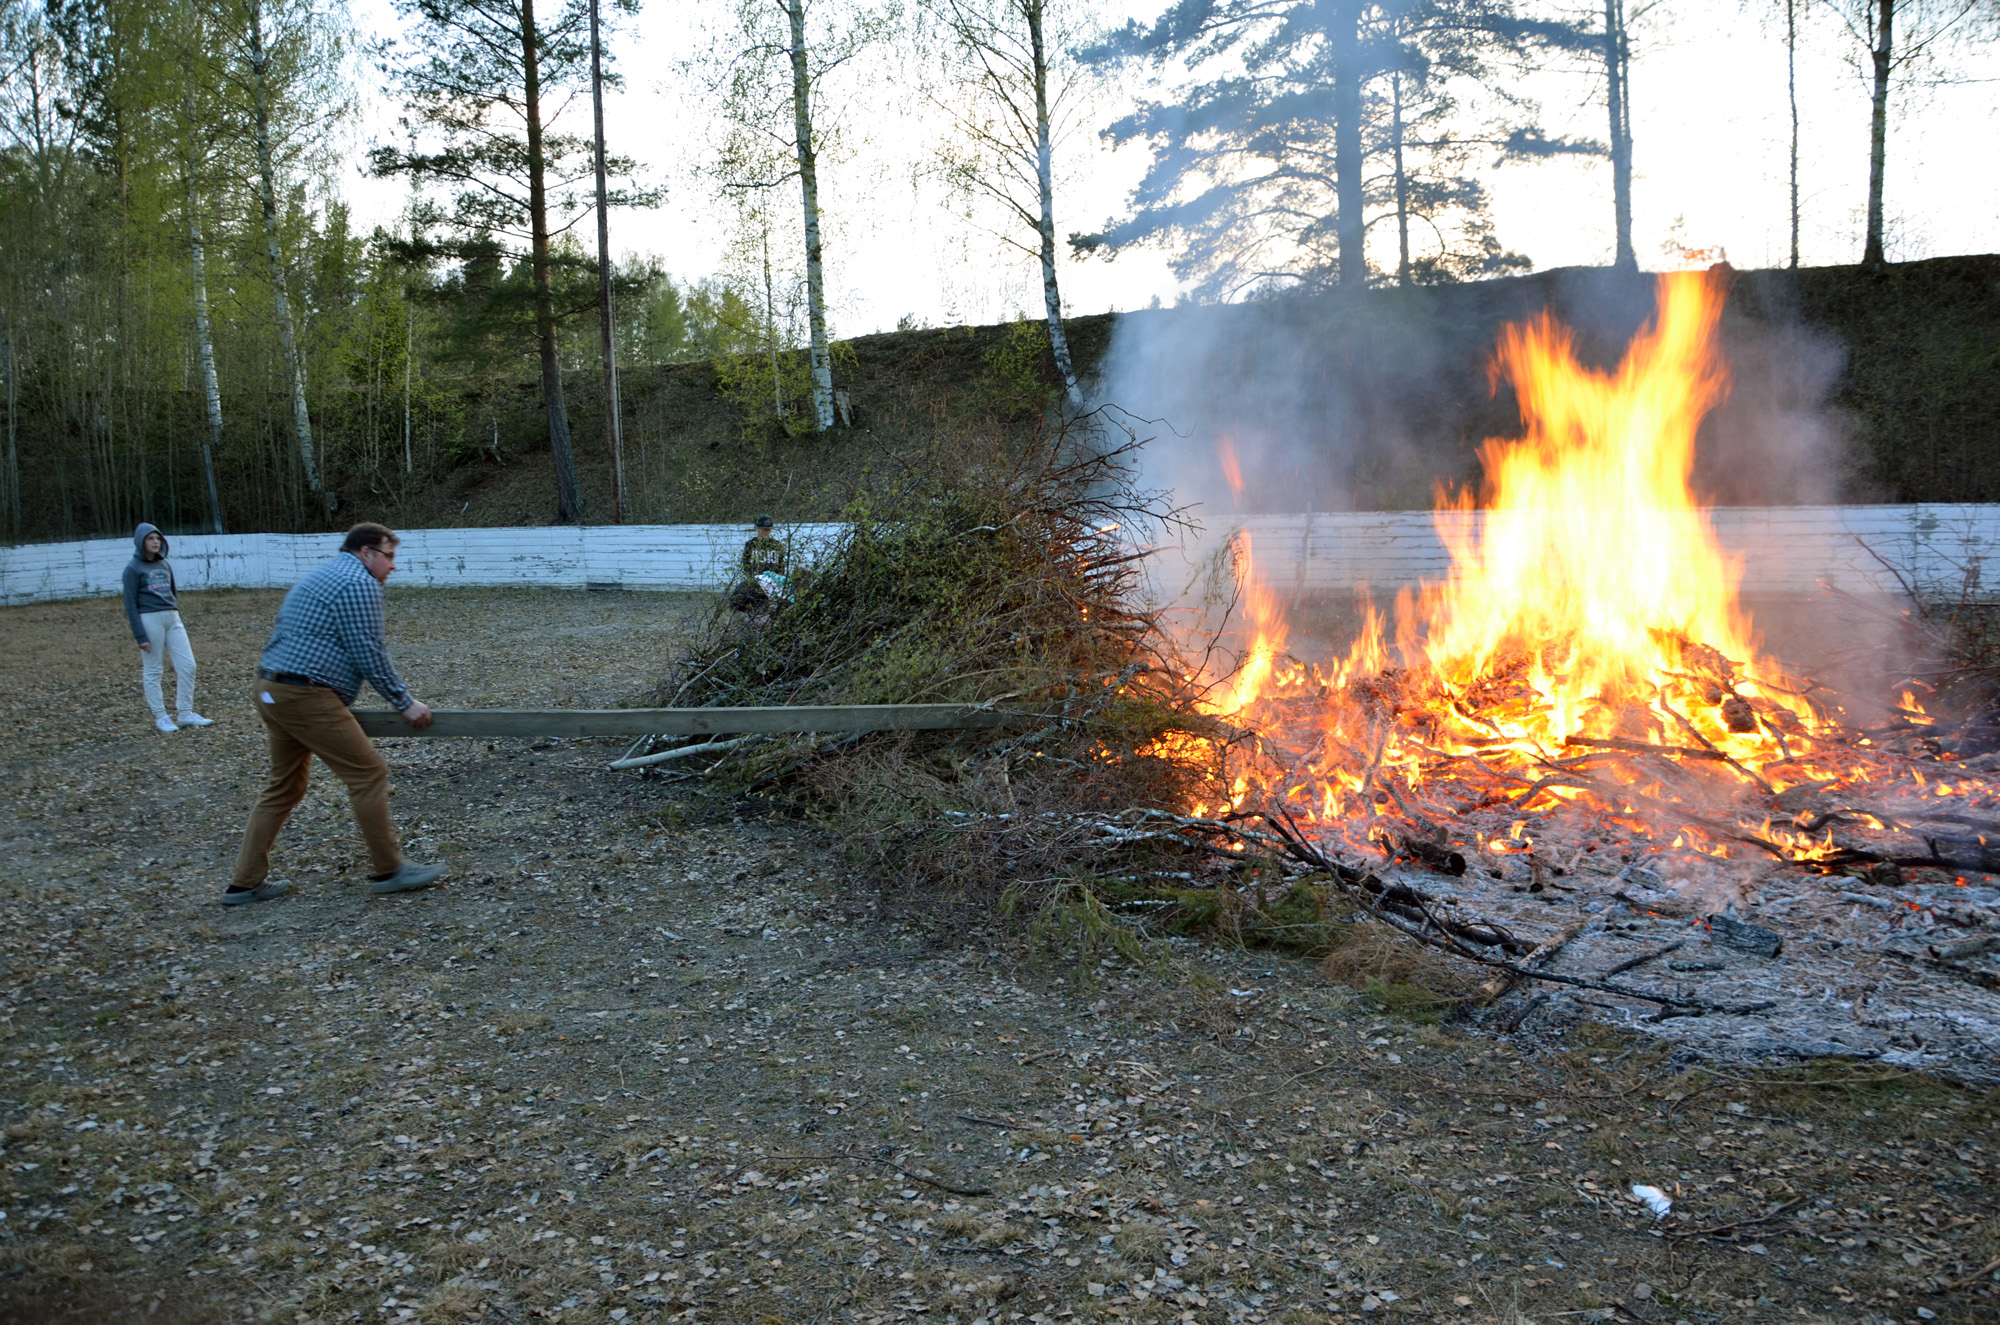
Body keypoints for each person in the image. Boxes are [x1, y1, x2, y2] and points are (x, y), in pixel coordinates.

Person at [225, 523, 441, 906]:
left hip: (271, 689)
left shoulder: (324, 575)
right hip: (304, 693)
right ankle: (389, 869)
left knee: (284, 786)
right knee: (368, 772)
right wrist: (404, 702)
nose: (392, 566)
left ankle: (244, 883)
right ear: (366, 553)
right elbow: (369, 651)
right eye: (389, 556)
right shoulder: (359, 583)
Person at [122, 523, 212, 734]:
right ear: (141, 541)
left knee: (188, 665)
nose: (155, 542)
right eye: (150, 538)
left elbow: (172, 592)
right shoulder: (132, 569)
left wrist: (175, 611)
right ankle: (161, 716)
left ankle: (185, 713)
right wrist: (140, 636)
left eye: (158, 538)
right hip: (149, 620)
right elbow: (130, 604)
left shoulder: (164, 565)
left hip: (172, 618)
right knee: (154, 669)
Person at [730, 514, 788, 612]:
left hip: (772, 582)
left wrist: (777, 580)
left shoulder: (777, 545)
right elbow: (746, 564)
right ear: (756, 528)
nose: (765, 531)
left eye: (768, 529)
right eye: (763, 529)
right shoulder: (751, 545)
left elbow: (781, 565)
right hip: (756, 581)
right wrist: (753, 578)